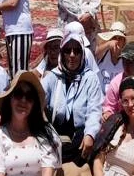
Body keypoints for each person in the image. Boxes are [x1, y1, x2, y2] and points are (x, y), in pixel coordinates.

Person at [44, 23, 103, 167]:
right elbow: (38, 96)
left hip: (80, 138)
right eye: (67, 50)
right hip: (55, 136)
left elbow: (94, 110)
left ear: (82, 54)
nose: (72, 55)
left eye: (76, 51)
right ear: (62, 53)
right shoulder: (53, 76)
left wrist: (90, 134)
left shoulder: (90, 78)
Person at [101, 41, 134, 116]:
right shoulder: (116, 83)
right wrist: (107, 113)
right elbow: (109, 107)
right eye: (124, 61)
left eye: (130, 62)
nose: (126, 65)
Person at [95, 21, 129, 86]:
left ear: (124, 42)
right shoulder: (103, 55)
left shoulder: (126, 60)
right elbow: (96, 53)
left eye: (120, 38)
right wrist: (108, 44)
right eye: (114, 37)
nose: (117, 41)